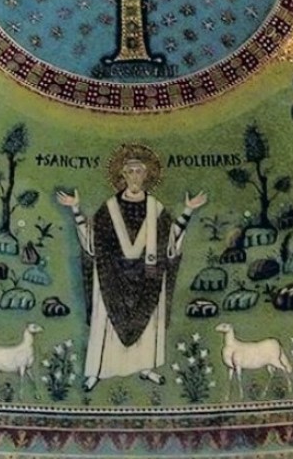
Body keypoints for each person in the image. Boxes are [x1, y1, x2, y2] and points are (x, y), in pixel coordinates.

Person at [57, 144, 207, 391]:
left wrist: (188, 210)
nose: (135, 177)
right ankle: (98, 371)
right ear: (123, 175)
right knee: (105, 322)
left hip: (148, 277)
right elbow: (92, 242)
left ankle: (145, 367)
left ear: (146, 176)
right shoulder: (109, 208)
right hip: (112, 277)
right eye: (130, 172)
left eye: (139, 172)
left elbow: (170, 241)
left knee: (148, 322)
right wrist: (75, 208)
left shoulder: (156, 209)